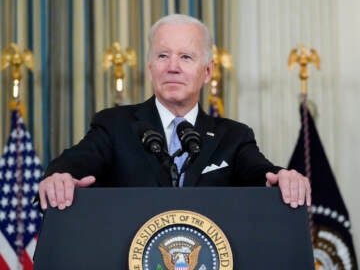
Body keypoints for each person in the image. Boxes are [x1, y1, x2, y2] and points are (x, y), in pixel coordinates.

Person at [38, 14, 311, 211]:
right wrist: (60, 176)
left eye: (186, 57)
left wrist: (283, 178)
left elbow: (260, 173)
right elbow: (72, 164)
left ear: (207, 71)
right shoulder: (114, 125)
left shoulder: (233, 136)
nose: (173, 67)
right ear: (150, 68)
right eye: (162, 56)